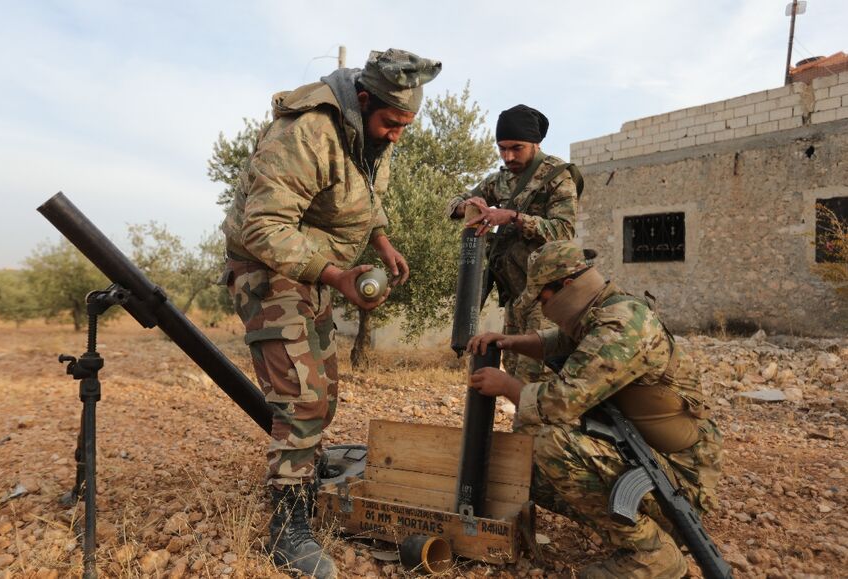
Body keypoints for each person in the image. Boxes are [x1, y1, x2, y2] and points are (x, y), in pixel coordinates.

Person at [221, 48, 441, 579]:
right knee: (302, 399)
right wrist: (339, 277)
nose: (396, 136)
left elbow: (367, 191)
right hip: (267, 268)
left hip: (311, 269)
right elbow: (263, 228)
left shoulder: (369, 134)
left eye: (405, 126)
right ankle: (287, 529)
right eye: (390, 123)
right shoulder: (306, 134)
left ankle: (301, 476)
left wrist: (382, 239)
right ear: (363, 101)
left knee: (326, 396)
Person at [467, 241, 723, 578]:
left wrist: (507, 386)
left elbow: (561, 402)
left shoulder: (623, 325)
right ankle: (640, 531)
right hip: (649, 458)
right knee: (529, 471)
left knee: (551, 443)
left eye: (544, 299)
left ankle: (652, 553)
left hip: (677, 480)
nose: (544, 309)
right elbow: (559, 341)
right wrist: (510, 341)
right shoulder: (602, 311)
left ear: (568, 285)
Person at [445, 104, 583, 384]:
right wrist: (468, 205)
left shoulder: (557, 177)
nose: (508, 156)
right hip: (516, 296)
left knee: (537, 377)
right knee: (514, 371)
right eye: (502, 148)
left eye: (516, 148)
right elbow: (453, 204)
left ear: (536, 143)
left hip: (548, 297)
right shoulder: (502, 180)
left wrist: (513, 217)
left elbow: (563, 231)